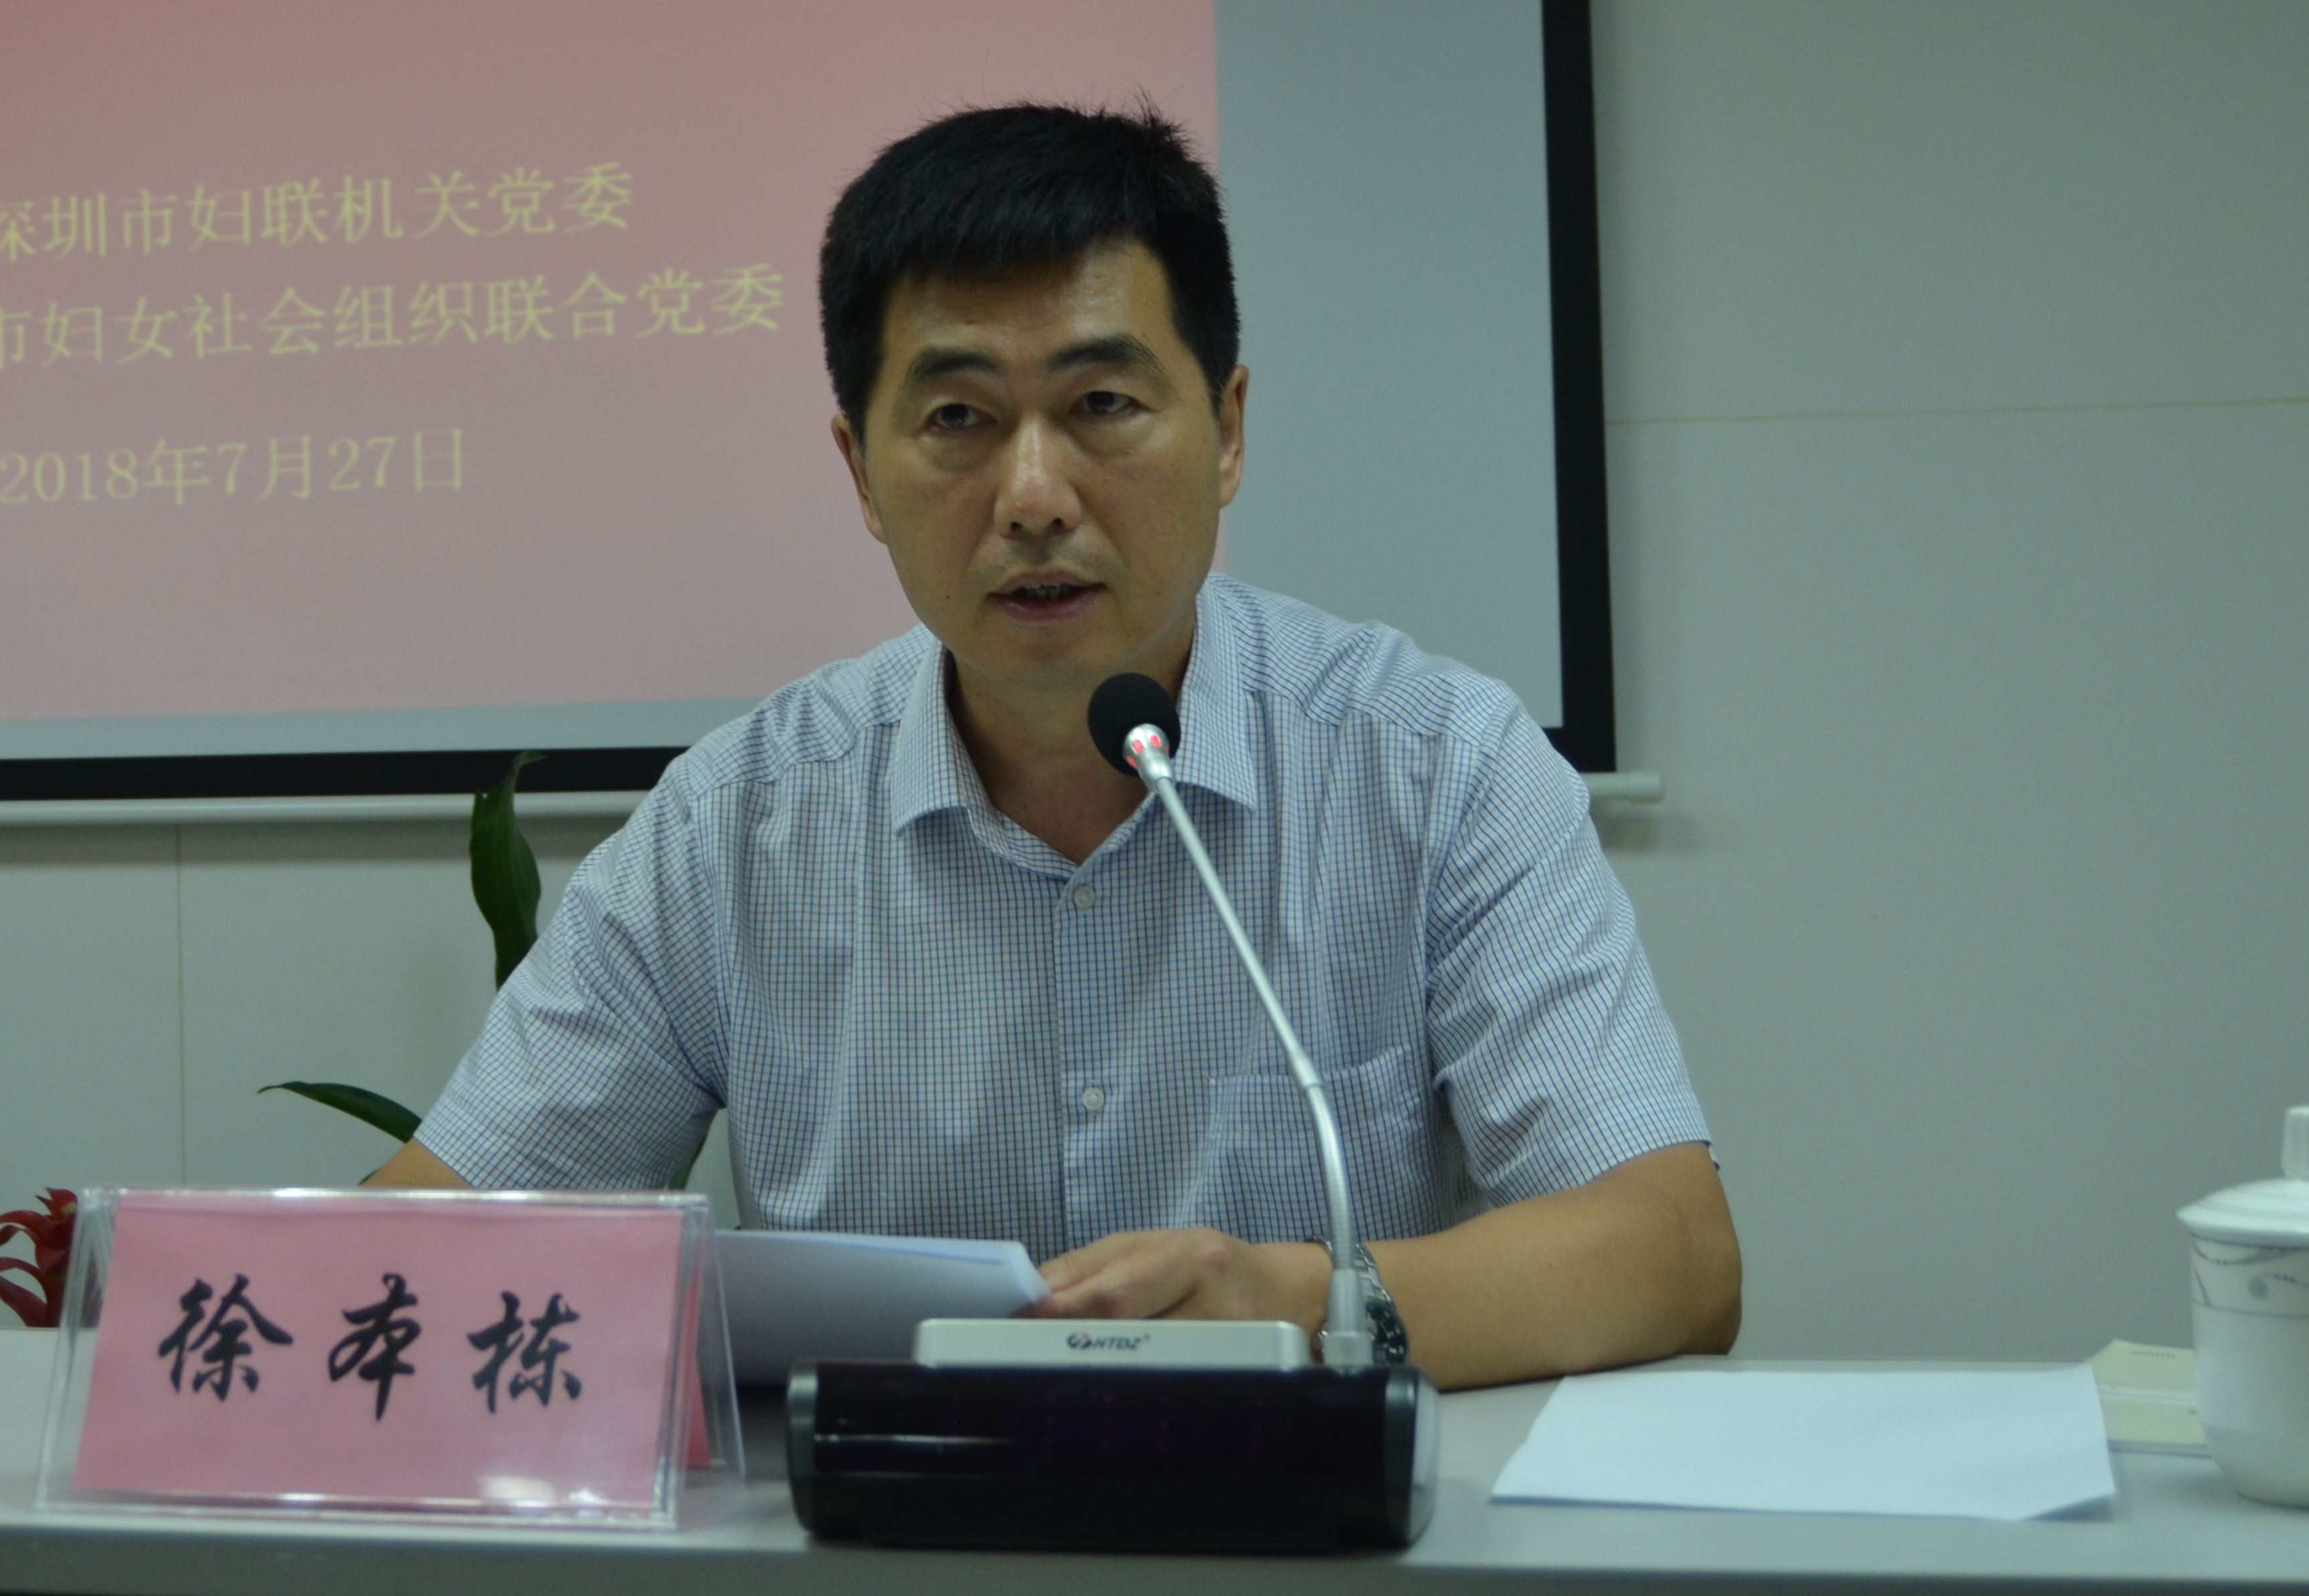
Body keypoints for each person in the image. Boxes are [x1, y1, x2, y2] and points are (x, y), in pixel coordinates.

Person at [369, 102, 1739, 1388]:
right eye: (957, 420)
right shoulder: (738, 825)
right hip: (883, 1537)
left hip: (1297, 1528)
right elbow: (413, 1257)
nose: (1032, 497)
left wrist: (1301, 1300)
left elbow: (1672, 1253)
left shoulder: (1437, 768)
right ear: (860, 472)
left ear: (1228, 433)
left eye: (1102, 406)